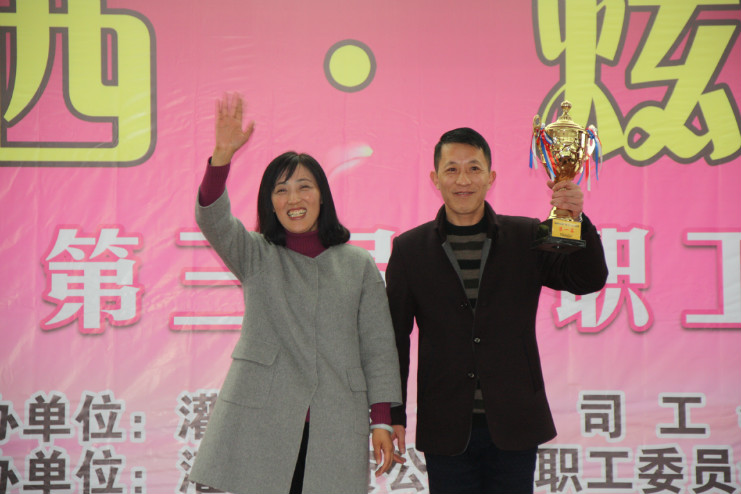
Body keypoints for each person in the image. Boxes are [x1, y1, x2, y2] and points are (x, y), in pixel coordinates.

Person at [188, 93, 403, 494]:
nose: (294, 199)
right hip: (261, 418)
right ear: (270, 202)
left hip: (335, 419)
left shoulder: (357, 264)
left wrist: (381, 420)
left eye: (304, 187)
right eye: (281, 190)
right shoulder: (256, 254)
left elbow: (377, 347)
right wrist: (221, 158)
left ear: (322, 196)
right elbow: (213, 220)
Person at [386, 127, 608, 494]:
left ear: (490, 178)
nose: (463, 180)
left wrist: (576, 219)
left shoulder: (529, 235)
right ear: (435, 179)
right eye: (452, 169)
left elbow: (586, 279)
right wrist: (392, 414)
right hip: (446, 426)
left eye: (474, 169)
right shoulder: (410, 249)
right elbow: (395, 339)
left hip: (515, 422)